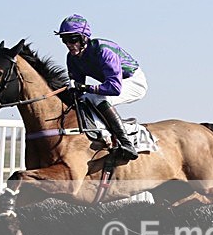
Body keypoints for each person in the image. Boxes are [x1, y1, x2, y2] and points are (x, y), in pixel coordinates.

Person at [55, 14, 147, 161]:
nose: (68, 44)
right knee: (82, 99)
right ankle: (102, 135)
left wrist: (84, 87)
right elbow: (78, 91)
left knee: (96, 97)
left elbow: (114, 88)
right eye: (64, 40)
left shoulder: (104, 50)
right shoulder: (71, 58)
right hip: (112, 84)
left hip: (132, 81)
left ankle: (126, 143)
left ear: (84, 37)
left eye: (72, 39)